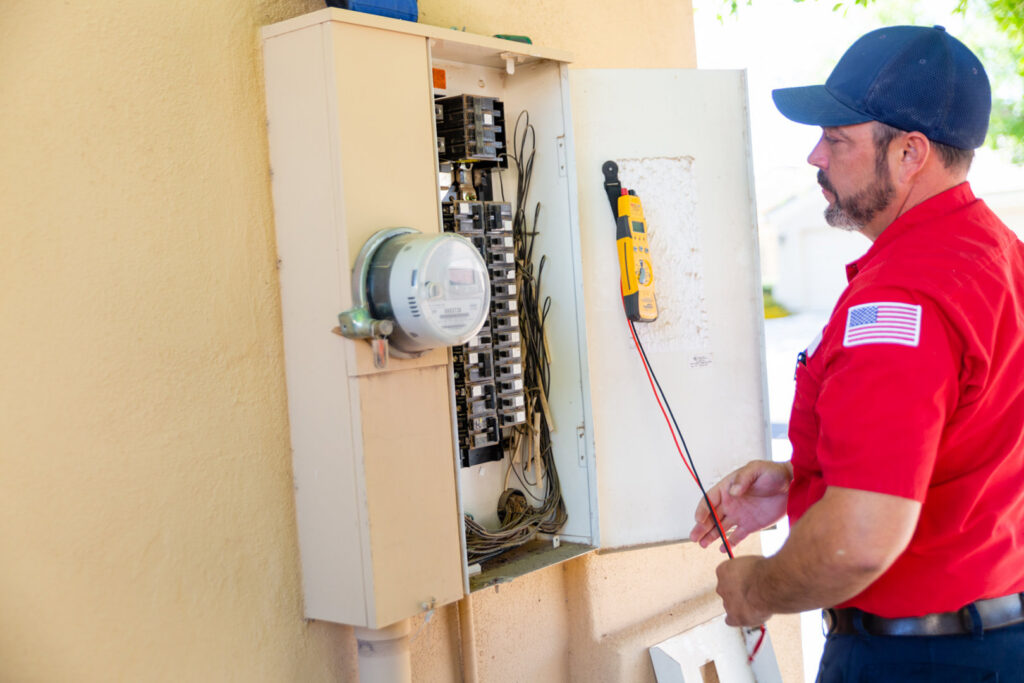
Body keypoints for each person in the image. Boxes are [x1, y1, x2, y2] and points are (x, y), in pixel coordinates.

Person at [689, 25, 1024, 682]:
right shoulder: (996, 255)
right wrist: (802, 481)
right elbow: (966, 443)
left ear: (910, 153)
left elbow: (861, 536)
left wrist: (758, 589)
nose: (816, 155)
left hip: (920, 660)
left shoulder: (903, 298)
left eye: (838, 139)